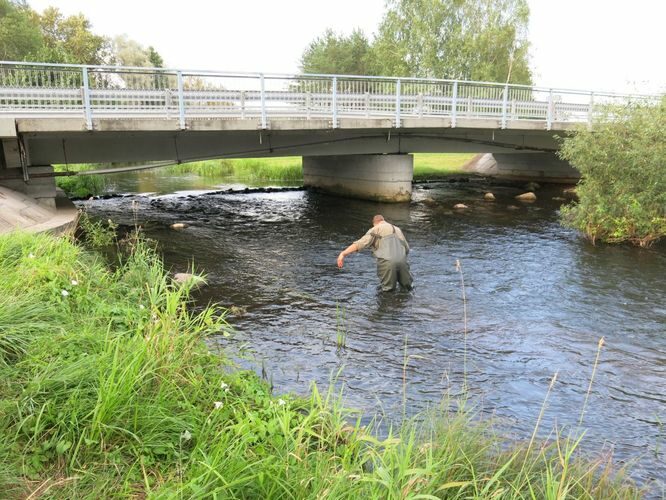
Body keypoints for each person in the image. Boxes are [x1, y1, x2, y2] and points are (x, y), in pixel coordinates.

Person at [337, 214, 413, 292]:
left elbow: (360, 244)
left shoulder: (375, 229)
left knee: (388, 291)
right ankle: (407, 304)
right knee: (407, 289)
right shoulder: (397, 229)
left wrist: (343, 253)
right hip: (403, 262)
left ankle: (389, 304)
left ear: (374, 223)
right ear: (383, 220)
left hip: (386, 262)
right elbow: (406, 249)